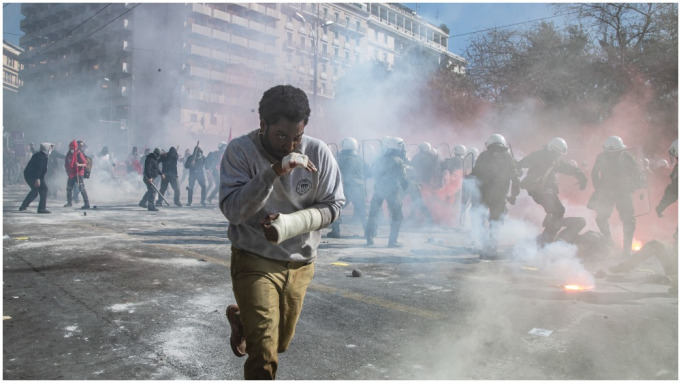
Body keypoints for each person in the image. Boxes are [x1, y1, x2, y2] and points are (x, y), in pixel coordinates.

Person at [219, 85, 344, 379]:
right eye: (282, 136)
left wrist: (292, 223)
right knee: (264, 354)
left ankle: (242, 318)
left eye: (297, 137)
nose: (291, 145)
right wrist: (273, 172)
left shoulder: (318, 152)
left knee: (280, 343)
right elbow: (234, 211)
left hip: (300, 262)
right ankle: (253, 321)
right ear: (263, 125)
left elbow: (335, 205)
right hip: (254, 259)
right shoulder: (240, 151)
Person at [518, 137, 587, 246]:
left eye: (559, 154)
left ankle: (547, 237)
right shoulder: (538, 156)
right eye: (556, 153)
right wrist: (517, 168)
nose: (558, 156)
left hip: (547, 190)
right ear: (551, 149)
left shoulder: (555, 160)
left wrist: (581, 175)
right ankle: (548, 233)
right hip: (539, 190)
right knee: (555, 210)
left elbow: (568, 167)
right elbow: (523, 163)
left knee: (559, 211)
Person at [587, 135, 644, 256]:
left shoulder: (626, 157)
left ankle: (626, 248)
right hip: (609, 192)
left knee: (628, 219)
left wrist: (632, 187)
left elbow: (637, 174)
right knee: (603, 218)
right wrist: (599, 189)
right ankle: (610, 242)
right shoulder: (602, 157)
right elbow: (594, 174)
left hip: (622, 193)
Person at [469, 134, 520, 258]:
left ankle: (484, 245)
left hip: (483, 195)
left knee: (479, 220)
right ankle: (492, 248)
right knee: (495, 222)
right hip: (499, 197)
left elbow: (475, 174)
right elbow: (516, 179)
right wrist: (513, 196)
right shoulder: (508, 158)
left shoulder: (483, 156)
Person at [366, 136, 409, 247]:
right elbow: (403, 178)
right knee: (397, 215)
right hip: (392, 191)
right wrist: (406, 186)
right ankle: (392, 241)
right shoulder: (398, 161)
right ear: (397, 147)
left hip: (378, 188)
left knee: (373, 214)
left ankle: (369, 239)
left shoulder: (379, 159)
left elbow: (372, 172)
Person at [327, 137, 368, 238]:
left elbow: (335, 172)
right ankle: (369, 233)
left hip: (347, 188)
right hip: (359, 188)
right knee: (363, 212)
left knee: (337, 208)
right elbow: (368, 172)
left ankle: (336, 231)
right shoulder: (360, 158)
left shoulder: (342, 159)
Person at [19, 142, 52, 213]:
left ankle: (24, 206)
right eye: (50, 148)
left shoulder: (42, 155)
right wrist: (37, 179)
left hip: (32, 175)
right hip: (32, 176)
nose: (51, 150)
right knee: (42, 189)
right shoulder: (41, 156)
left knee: (35, 191)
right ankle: (41, 208)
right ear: (46, 148)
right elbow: (38, 168)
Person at [64, 139, 91, 209]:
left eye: (73, 148)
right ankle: (69, 202)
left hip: (79, 173)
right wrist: (67, 170)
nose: (72, 149)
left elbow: (85, 164)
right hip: (71, 173)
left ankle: (87, 203)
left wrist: (79, 164)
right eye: (71, 148)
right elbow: (66, 163)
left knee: (81, 188)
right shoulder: (69, 154)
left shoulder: (79, 153)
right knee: (69, 188)